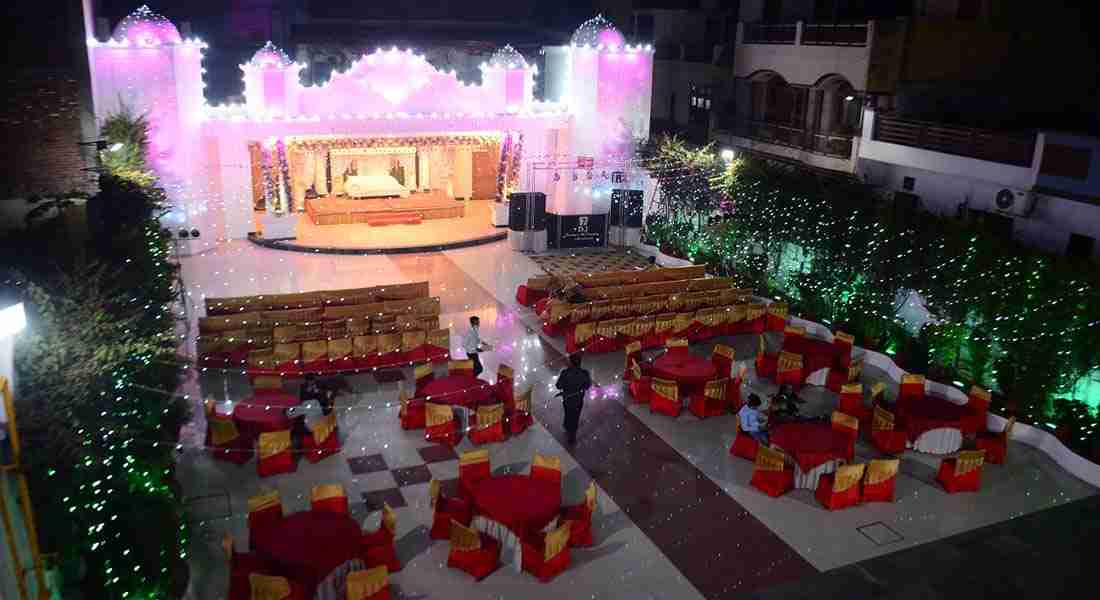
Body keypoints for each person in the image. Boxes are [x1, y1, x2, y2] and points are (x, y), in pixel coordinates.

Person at [555, 353, 592, 445]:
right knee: (575, 416)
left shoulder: (565, 373)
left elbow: (558, 386)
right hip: (578, 400)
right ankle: (572, 434)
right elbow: (587, 386)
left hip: (567, 399)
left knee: (568, 412)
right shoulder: (585, 373)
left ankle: (567, 426)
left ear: (571, 363)